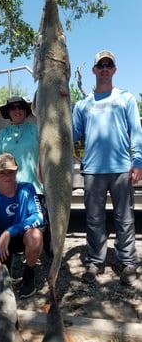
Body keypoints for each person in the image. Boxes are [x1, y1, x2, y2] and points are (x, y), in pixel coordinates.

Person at [72, 50, 142, 285]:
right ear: (94, 70)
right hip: (92, 171)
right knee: (93, 219)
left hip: (121, 168)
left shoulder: (126, 99)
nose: (104, 68)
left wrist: (138, 162)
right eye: (100, 65)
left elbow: (136, 133)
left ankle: (128, 263)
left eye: (108, 64)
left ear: (114, 70)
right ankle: (95, 262)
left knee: (125, 219)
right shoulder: (82, 105)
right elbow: (72, 134)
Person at [0, 153, 45, 299]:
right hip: (1, 245)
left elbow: (38, 217)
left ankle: (28, 273)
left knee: (36, 236)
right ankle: (2, 272)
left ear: (17, 169)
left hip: (21, 237)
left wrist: (9, 232)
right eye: (2, 173)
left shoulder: (27, 189)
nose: (7, 176)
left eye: (11, 171)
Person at [0, 95, 52, 257]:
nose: (17, 110)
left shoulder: (36, 130)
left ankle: (41, 258)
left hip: (35, 187)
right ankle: (8, 259)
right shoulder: (2, 134)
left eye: (20, 107)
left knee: (37, 228)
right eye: (13, 108)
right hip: (9, 189)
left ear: (26, 111)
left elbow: (48, 156)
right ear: (9, 112)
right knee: (9, 226)